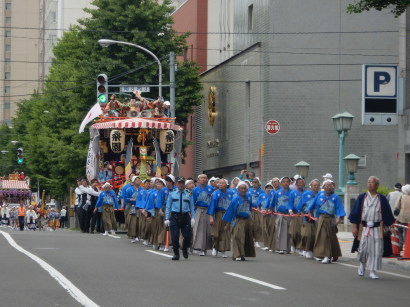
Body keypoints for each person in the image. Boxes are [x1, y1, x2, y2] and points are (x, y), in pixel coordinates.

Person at [349, 176, 395, 279]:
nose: (369, 184)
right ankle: (362, 265)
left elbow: (387, 214)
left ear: (377, 185)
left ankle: (373, 271)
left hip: (377, 228)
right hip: (364, 228)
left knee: (376, 250)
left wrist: (390, 226)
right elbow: (355, 213)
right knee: (363, 249)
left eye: (372, 182)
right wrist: (354, 227)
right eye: (368, 182)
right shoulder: (362, 197)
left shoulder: (381, 199)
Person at [308, 180, 345, 264]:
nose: (328, 187)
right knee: (323, 236)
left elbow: (340, 209)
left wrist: (339, 218)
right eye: (327, 185)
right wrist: (310, 212)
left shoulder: (335, 197)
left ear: (333, 187)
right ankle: (325, 255)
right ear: (323, 187)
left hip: (331, 218)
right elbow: (312, 205)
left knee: (331, 237)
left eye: (330, 185)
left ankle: (331, 255)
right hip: (321, 218)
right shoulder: (319, 195)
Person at [223, 181, 256, 261]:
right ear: (238, 189)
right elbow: (230, 212)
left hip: (247, 219)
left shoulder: (249, 197)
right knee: (237, 237)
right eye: (241, 188)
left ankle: (242, 254)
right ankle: (237, 254)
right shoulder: (235, 199)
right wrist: (228, 224)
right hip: (238, 219)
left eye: (245, 188)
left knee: (245, 238)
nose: (243, 190)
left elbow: (250, 207)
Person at [165, 176, 195, 260]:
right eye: (179, 183)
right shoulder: (172, 193)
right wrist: (167, 218)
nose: (181, 185)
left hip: (185, 216)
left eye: (182, 183)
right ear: (176, 184)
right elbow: (168, 206)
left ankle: (185, 248)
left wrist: (193, 218)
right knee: (175, 236)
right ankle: (176, 253)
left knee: (188, 236)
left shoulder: (189, 193)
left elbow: (192, 206)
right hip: (174, 216)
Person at [207, 179, 233, 258]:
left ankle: (223, 250)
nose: (220, 184)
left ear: (226, 185)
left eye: (222, 183)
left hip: (227, 214)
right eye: (219, 183)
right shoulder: (216, 193)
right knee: (216, 232)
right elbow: (212, 205)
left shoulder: (231, 193)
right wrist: (211, 217)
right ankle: (215, 247)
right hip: (218, 214)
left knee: (225, 233)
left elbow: (232, 205)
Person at [298, 179, 321, 258]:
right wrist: (302, 213)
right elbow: (300, 205)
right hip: (307, 217)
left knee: (316, 235)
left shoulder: (321, 194)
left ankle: (314, 250)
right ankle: (306, 249)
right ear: (311, 186)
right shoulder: (306, 194)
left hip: (318, 217)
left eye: (318, 185)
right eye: (314, 185)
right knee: (307, 234)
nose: (316, 187)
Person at [192, 174, 213, 256]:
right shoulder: (195, 189)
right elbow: (192, 202)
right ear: (198, 180)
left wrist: (211, 213)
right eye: (201, 178)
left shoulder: (210, 189)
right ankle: (198, 247)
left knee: (207, 230)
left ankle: (205, 248)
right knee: (198, 229)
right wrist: (192, 213)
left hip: (208, 210)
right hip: (198, 209)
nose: (203, 179)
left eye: (205, 178)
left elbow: (212, 202)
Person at [270, 176, 292, 254]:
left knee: (289, 232)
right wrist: (272, 210)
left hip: (290, 215)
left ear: (290, 183)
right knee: (281, 231)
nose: (286, 183)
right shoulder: (277, 193)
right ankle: (282, 248)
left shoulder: (292, 192)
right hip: (280, 214)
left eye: (287, 181)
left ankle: (289, 248)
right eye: (284, 182)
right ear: (281, 183)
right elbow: (273, 203)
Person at [287, 177, 306, 255]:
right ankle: (293, 245)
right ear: (296, 184)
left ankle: (300, 247)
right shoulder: (292, 193)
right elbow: (289, 203)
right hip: (295, 214)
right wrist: (290, 211)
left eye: (302, 183)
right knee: (294, 231)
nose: (301, 184)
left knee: (302, 232)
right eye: (299, 183)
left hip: (304, 214)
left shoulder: (306, 193)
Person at [248, 177, 264, 248]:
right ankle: (251, 239)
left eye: (256, 182)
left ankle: (257, 241)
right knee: (250, 225)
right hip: (249, 210)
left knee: (257, 225)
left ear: (259, 183)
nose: (254, 184)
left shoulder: (261, 192)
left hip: (257, 210)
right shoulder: (248, 190)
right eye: (253, 182)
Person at [394, 184, 410, 251]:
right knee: (408, 231)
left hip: (401, 217)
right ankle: (407, 244)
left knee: (400, 230)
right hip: (409, 218)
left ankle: (401, 244)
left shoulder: (401, 197)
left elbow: (396, 206)